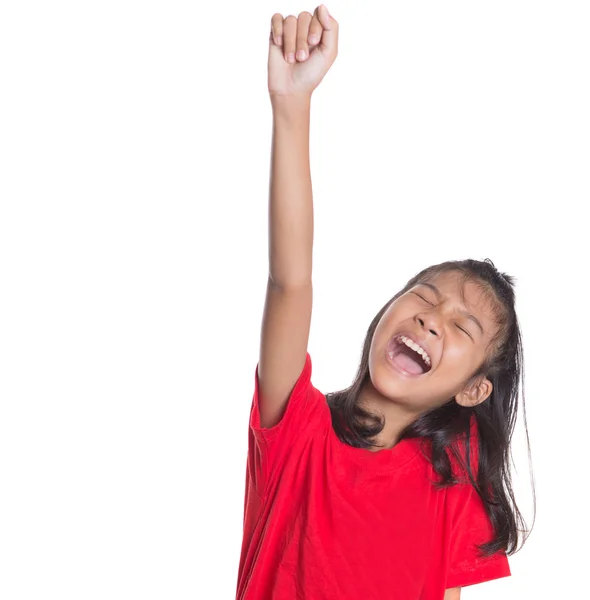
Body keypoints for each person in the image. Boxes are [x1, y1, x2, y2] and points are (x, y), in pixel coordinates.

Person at [236, 6, 533, 599]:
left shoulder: (452, 490)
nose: (430, 317)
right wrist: (292, 108)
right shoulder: (298, 431)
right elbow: (289, 281)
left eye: (460, 326)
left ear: (473, 389)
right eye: (423, 298)